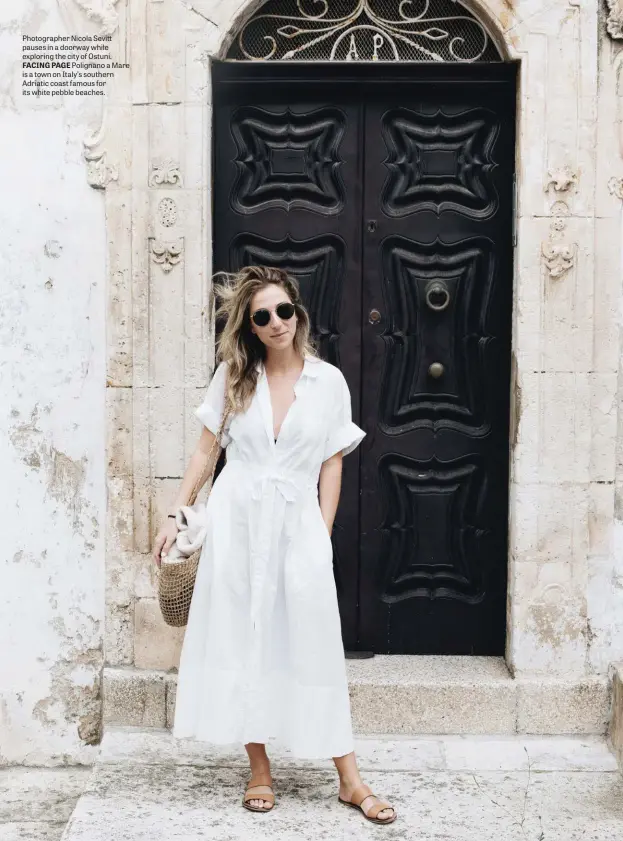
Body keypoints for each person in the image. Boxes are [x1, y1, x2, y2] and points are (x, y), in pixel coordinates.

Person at [151, 265, 397, 825]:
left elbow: (332, 464)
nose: (276, 322)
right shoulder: (235, 377)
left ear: (297, 313)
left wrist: (322, 534)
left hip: (297, 526)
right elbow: (203, 454)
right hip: (237, 523)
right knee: (244, 639)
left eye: (283, 310)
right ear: (251, 327)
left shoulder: (328, 381)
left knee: (314, 643)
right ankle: (259, 769)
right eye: (262, 316)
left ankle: (350, 780)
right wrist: (175, 512)